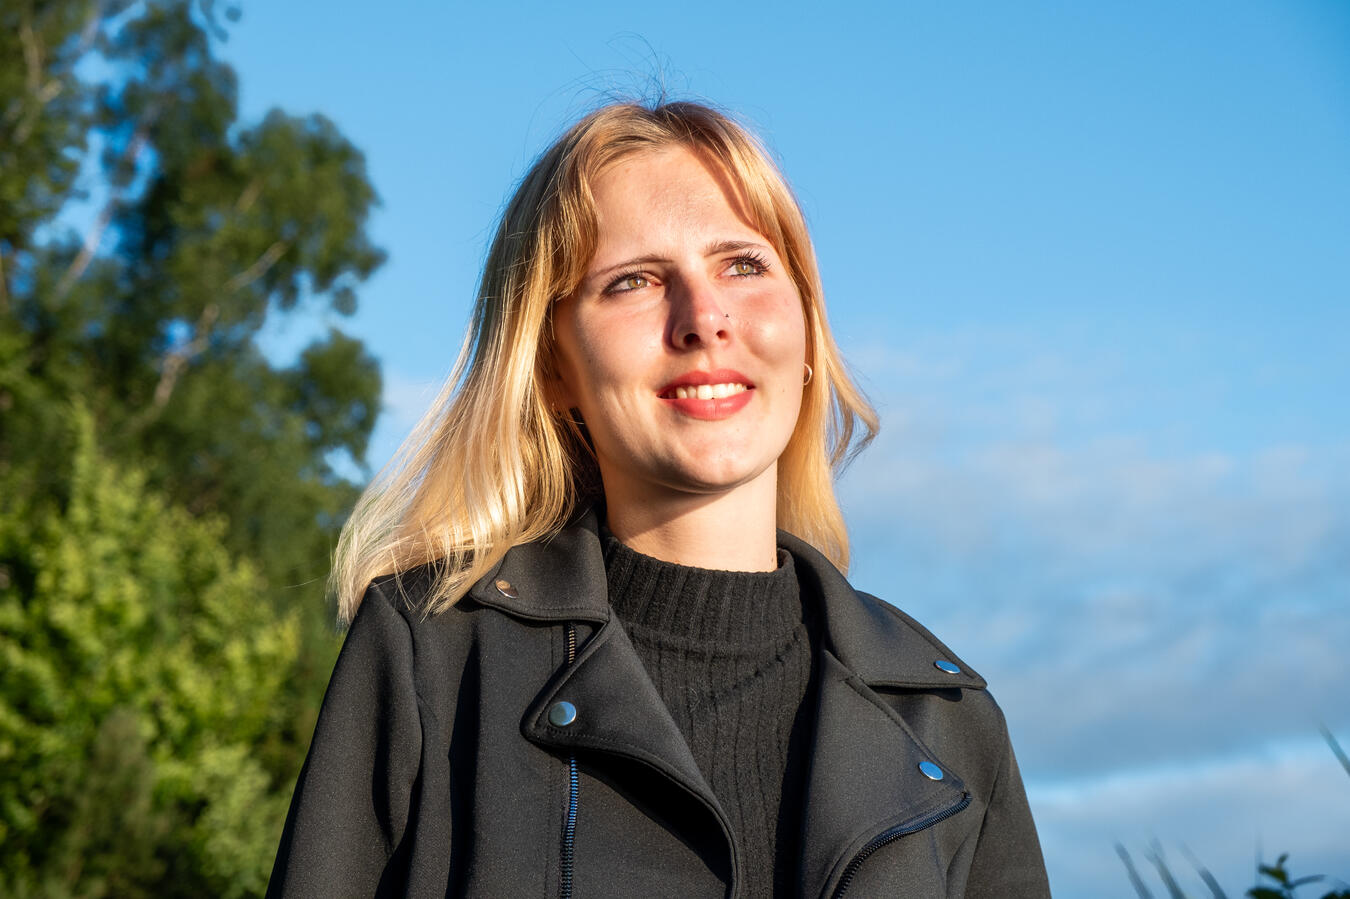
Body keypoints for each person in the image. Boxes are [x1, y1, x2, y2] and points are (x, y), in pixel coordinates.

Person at [266, 100, 1051, 899]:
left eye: (742, 265)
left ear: (807, 328)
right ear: (554, 367)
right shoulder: (429, 657)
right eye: (633, 281)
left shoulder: (947, 716)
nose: (704, 319)